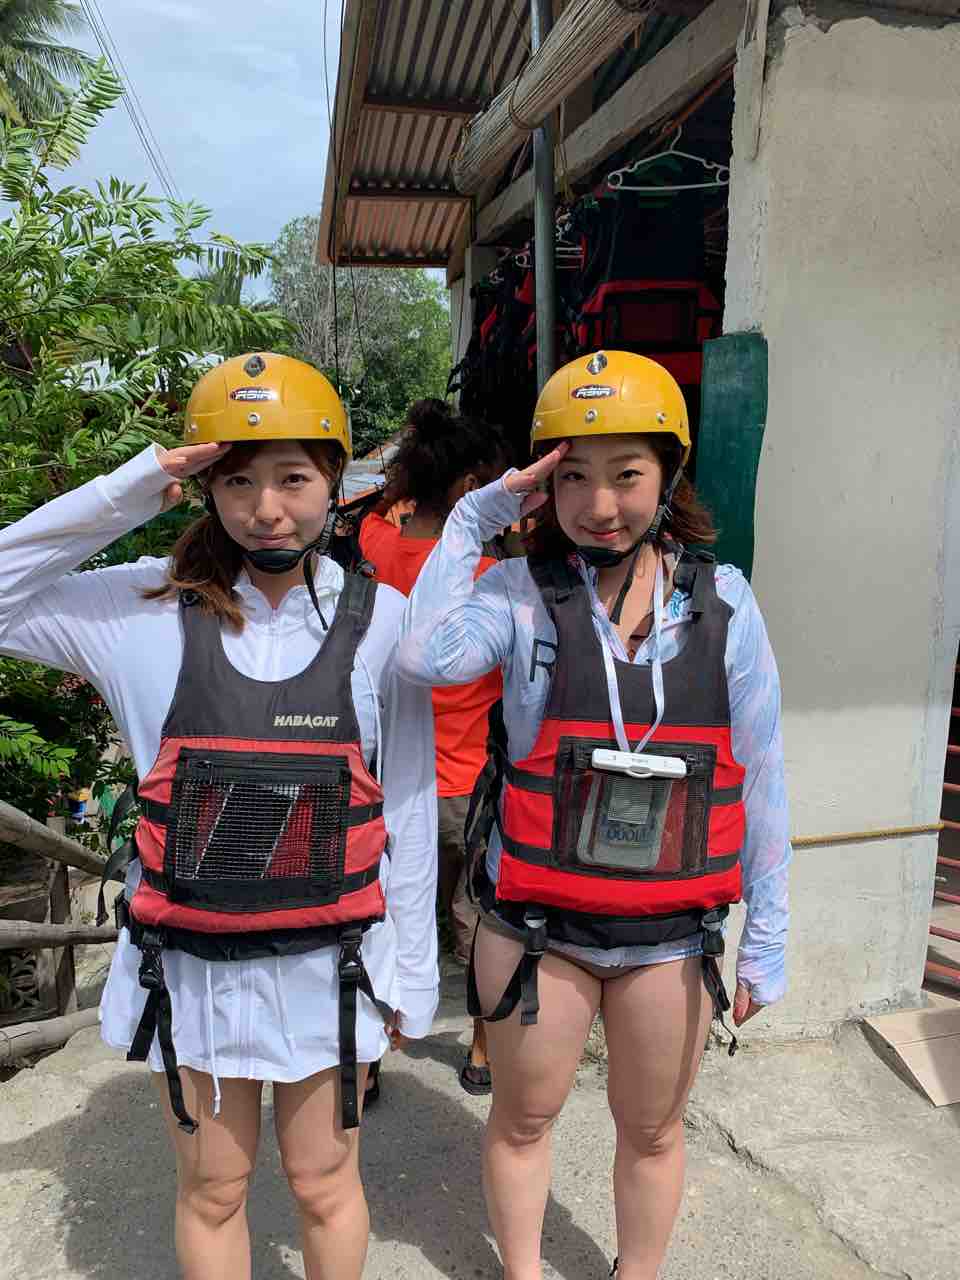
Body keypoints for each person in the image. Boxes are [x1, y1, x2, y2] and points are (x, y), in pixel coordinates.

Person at [0, 353, 438, 1280]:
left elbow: (407, 799)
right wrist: (132, 490)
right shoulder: (141, 609)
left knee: (324, 1183)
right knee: (212, 1189)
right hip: (191, 971)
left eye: (293, 478)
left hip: (329, 963)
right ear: (205, 487)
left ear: (336, 481)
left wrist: (412, 975)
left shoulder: (384, 620)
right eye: (237, 481)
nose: (266, 509)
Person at [396, 351, 791, 1280]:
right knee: (524, 1119)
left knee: (652, 1130)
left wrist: (768, 936)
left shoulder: (725, 603)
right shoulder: (517, 595)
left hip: (670, 934)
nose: (599, 503)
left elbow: (764, 772)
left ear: (669, 475)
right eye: (573, 475)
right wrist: (476, 516)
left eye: (627, 474)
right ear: (544, 482)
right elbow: (422, 657)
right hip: (539, 928)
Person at [359, 398, 507, 1095]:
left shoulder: (371, 550)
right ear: (467, 489)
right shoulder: (486, 580)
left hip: (383, 781)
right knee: (475, 917)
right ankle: (481, 1051)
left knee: (379, 914)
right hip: (465, 785)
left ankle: (367, 1057)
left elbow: (372, 514)